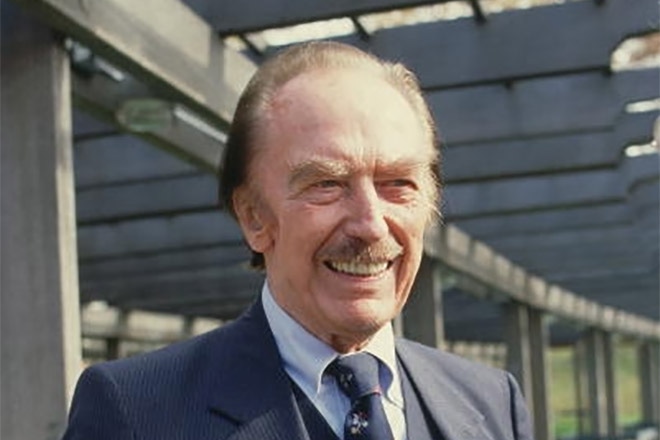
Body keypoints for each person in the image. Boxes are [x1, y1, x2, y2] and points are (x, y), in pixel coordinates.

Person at [62, 41, 533, 440]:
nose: (370, 224)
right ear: (254, 217)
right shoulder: (136, 413)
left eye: (398, 184)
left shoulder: (491, 404)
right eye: (326, 184)